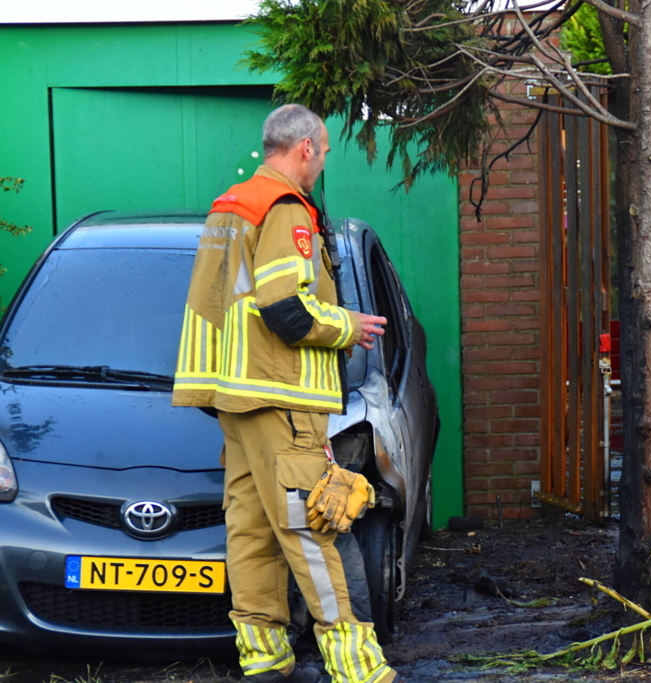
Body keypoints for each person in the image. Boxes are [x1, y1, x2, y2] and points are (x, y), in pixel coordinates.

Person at [171, 104, 397, 683]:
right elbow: (285, 310)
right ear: (305, 148)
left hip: (235, 401)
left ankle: (265, 659)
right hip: (280, 397)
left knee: (250, 529)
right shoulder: (284, 208)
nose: (321, 164)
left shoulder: (231, 206)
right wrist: (347, 324)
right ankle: (359, 668)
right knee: (313, 527)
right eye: (322, 153)